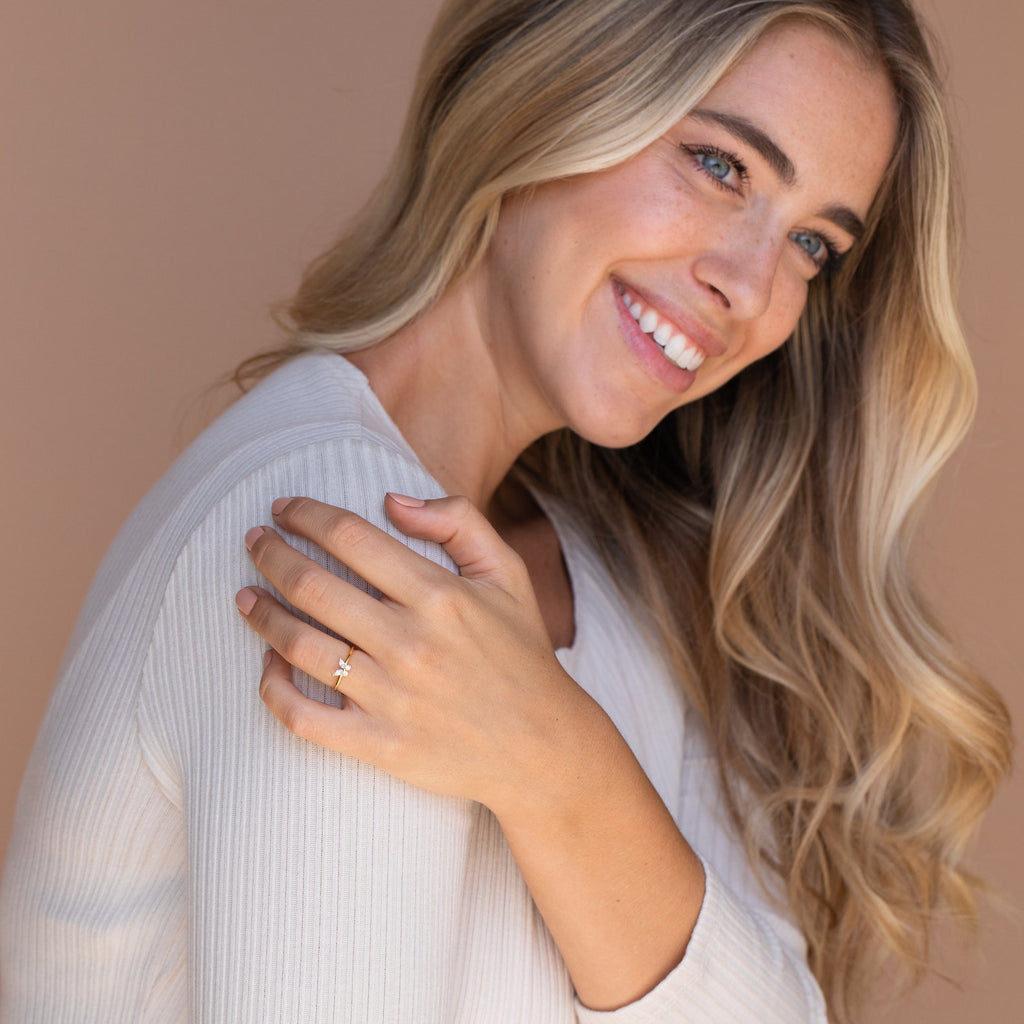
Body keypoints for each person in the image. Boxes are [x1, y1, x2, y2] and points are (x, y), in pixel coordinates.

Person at [1, 0, 1012, 1022]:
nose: (750, 290)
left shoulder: (620, 580)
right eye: (718, 165)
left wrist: (561, 765)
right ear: (549, 92)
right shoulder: (343, 534)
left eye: (811, 246)